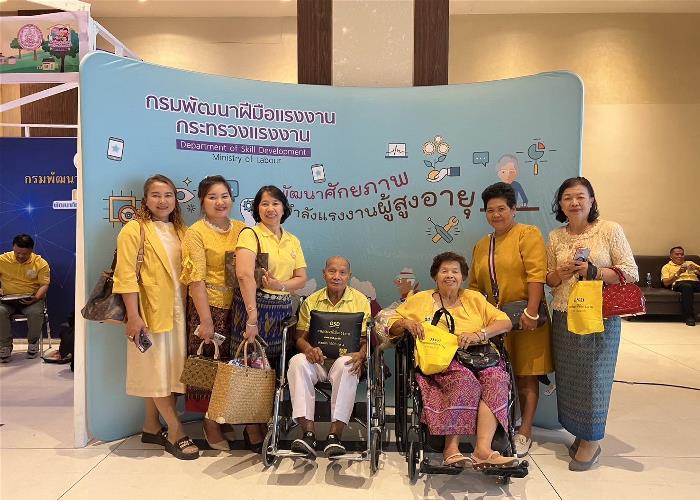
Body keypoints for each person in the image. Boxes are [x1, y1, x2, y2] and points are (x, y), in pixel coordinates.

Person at [388, 252, 516, 468]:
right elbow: (389, 322)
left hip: (479, 356)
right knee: (464, 380)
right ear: (435, 276)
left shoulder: (474, 298)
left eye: (455, 271)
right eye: (444, 271)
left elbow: (505, 322)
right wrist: (406, 323)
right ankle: (451, 448)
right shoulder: (420, 300)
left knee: (497, 379)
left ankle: (483, 450)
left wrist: (480, 334)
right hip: (441, 360)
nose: (450, 275)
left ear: (462, 277)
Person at [546, 176, 638, 471]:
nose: (574, 202)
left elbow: (630, 272)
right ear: (560, 204)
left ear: (591, 200)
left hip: (599, 317)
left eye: (580, 197)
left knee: (595, 378)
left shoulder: (609, 230)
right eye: (567, 198)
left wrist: (594, 271)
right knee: (571, 378)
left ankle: (592, 440)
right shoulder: (555, 236)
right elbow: (549, 279)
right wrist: (560, 273)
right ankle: (580, 432)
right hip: (564, 314)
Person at [113, 174, 199, 460]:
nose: (163, 201)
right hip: (149, 314)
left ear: (176, 200)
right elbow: (125, 276)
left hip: (178, 313)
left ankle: (151, 425)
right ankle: (176, 430)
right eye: (156, 195)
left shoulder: (181, 231)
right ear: (146, 200)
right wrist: (133, 316)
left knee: (168, 373)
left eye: (168, 195)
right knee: (155, 370)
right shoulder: (134, 230)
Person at [468, 182, 553, 457]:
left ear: (514, 209)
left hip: (526, 317)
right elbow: (474, 286)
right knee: (498, 375)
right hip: (496, 323)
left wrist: (532, 311)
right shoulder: (482, 245)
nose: (496, 214)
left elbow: (536, 274)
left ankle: (525, 431)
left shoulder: (527, 234)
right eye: (490, 210)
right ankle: (503, 427)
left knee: (526, 375)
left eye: (502, 209)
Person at [234, 185, 307, 452]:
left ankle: (268, 420)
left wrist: (280, 286)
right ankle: (251, 427)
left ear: (284, 208)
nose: (270, 208)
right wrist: (252, 317)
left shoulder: (292, 239)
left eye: (276, 203)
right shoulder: (250, 235)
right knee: (251, 368)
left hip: (282, 312)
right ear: (257, 209)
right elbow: (244, 275)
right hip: (254, 309)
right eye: (264, 204)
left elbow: (301, 278)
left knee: (274, 369)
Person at [180, 175, 246, 451]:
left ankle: (222, 415)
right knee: (208, 368)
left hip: (237, 309)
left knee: (231, 368)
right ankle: (209, 424)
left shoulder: (242, 229)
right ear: (202, 201)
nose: (220, 202)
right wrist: (206, 320)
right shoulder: (195, 233)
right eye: (212, 197)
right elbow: (195, 280)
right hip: (208, 308)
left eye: (224, 196)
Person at [288, 256, 371, 458]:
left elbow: (365, 339)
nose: (337, 276)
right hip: (317, 361)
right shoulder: (311, 301)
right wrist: (308, 349)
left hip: (343, 360)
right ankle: (308, 433)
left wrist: (361, 354)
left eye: (342, 272)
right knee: (297, 361)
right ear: (324, 274)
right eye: (332, 271)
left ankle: (335, 435)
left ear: (349, 276)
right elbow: (299, 337)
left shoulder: (360, 301)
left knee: (347, 364)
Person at [0, 234, 50, 363]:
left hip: (31, 300)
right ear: (13, 248)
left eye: (25, 254)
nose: (21, 256)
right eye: (18, 253)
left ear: (32, 250)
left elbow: (44, 285)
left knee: (36, 313)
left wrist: (36, 297)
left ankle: (33, 343)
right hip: (7, 300)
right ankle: (4, 346)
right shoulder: (2, 260)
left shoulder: (41, 263)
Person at [661, 246, 700, 326]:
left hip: (695, 283)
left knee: (689, 285)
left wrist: (696, 269)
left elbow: (697, 271)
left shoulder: (690, 263)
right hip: (680, 283)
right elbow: (665, 283)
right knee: (687, 286)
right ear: (671, 256)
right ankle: (689, 316)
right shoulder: (666, 267)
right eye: (677, 254)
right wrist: (678, 273)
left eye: (682, 254)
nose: (680, 256)